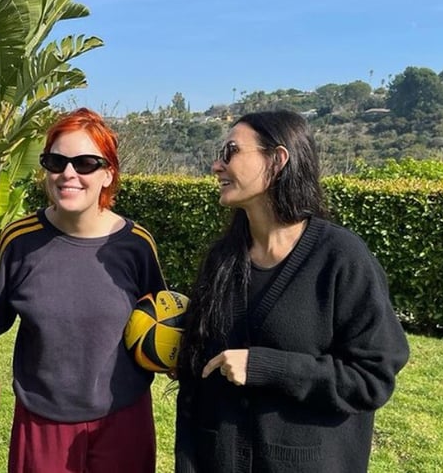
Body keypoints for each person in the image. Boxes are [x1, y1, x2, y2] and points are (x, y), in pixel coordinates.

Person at [174, 110, 410, 473]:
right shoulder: (222, 259)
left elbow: (372, 377)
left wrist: (267, 366)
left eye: (231, 151)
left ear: (278, 160)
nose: (216, 165)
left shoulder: (341, 258)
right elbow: (195, 382)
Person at [0, 108, 166, 473]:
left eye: (85, 164)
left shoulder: (137, 245)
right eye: (56, 161)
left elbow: (161, 321)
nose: (69, 174)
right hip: (42, 421)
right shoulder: (19, 242)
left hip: (123, 419)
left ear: (108, 173)